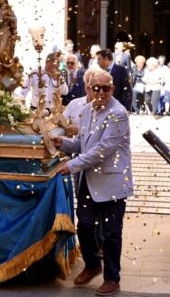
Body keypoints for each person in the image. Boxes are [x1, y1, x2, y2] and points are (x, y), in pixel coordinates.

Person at [52, 70, 133, 296]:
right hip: (88, 180)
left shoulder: (119, 113)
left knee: (110, 233)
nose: (100, 92)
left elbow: (102, 150)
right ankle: (93, 265)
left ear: (112, 90)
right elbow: (83, 143)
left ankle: (112, 278)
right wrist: (64, 144)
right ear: (88, 89)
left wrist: (71, 165)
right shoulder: (86, 110)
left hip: (112, 182)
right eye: (95, 88)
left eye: (105, 88)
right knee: (85, 227)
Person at [63, 67, 104, 137]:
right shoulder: (74, 103)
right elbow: (62, 120)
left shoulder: (105, 107)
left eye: (93, 82)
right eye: (87, 81)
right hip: (73, 146)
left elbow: (102, 133)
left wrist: (79, 131)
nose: (89, 85)